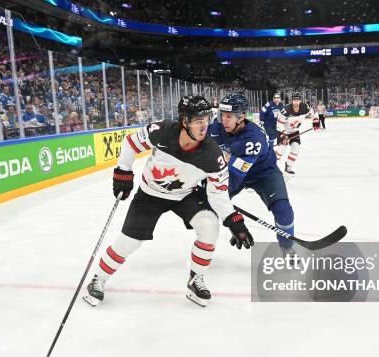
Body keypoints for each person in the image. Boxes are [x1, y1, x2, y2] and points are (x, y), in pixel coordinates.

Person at [84, 95, 253, 308]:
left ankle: (196, 278)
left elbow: (218, 194)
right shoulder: (162, 131)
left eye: (207, 119)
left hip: (184, 195)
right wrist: (123, 172)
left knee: (209, 226)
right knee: (129, 242)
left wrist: (233, 220)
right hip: (150, 194)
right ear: (184, 121)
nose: (204, 126)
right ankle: (98, 278)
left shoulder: (212, 155)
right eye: (198, 121)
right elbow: (130, 144)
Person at [208, 94, 296, 255]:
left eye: (229, 116)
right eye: (222, 115)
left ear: (241, 117)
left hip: (263, 173)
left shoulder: (253, 138)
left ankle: (287, 247)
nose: (224, 120)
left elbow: (235, 176)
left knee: (283, 211)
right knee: (207, 210)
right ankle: (204, 250)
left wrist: (226, 209)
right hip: (233, 171)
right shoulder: (215, 128)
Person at [276, 92, 312, 174]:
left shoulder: (305, 107)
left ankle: (288, 166)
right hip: (283, 131)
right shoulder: (286, 110)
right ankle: (272, 166)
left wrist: (315, 121)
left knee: (296, 148)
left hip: (294, 132)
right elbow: (279, 124)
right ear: (292, 100)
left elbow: (313, 113)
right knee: (282, 149)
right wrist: (284, 134)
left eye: (297, 100)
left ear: (300, 101)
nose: (296, 101)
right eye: (294, 100)